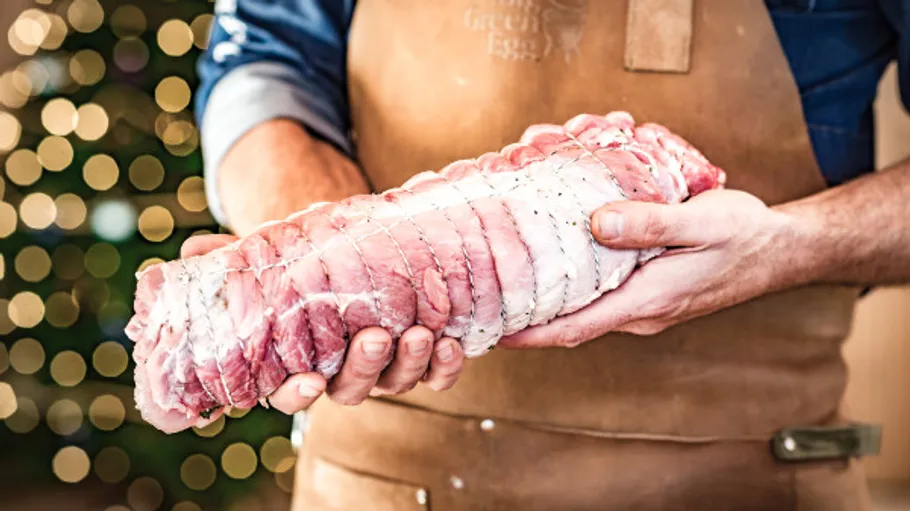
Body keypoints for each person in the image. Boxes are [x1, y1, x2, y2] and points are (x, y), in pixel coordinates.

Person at [188, 0, 910, 509]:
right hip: (383, 473)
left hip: (747, 480)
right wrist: (331, 274)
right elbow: (266, 60)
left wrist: (786, 246)